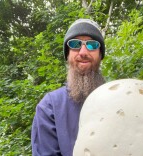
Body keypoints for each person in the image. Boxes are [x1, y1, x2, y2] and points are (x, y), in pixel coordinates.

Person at [31, 19, 106, 156]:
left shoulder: (118, 98)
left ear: (100, 55)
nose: (83, 52)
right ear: (67, 55)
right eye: (75, 44)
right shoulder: (50, 106)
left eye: (92, 45)